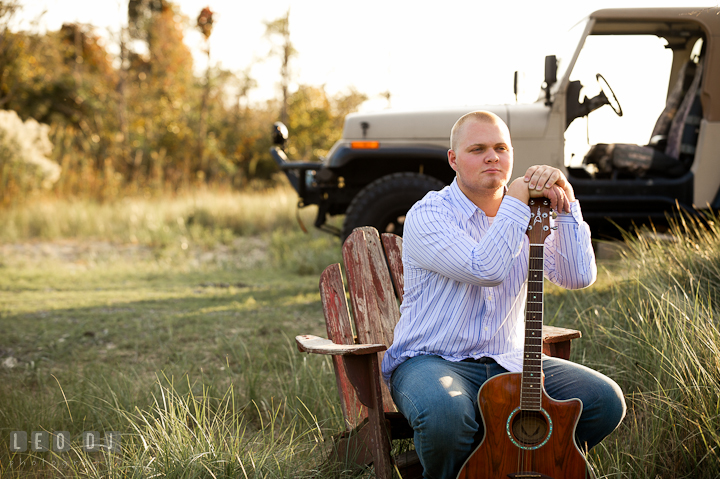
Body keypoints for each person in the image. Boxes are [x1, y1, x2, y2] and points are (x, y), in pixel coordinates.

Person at [380, 111, 626, 479]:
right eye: (477, 149)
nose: (492, 157)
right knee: (446, 415)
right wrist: (516, 201)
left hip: (509, 361)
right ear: (453, 159)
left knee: (604, 401)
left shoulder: (534, 213)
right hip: (431, 360)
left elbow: (577, 277)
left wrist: (567, 205)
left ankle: (511, 461)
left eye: (500, 148)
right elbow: (486, 269)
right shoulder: (429, 214)